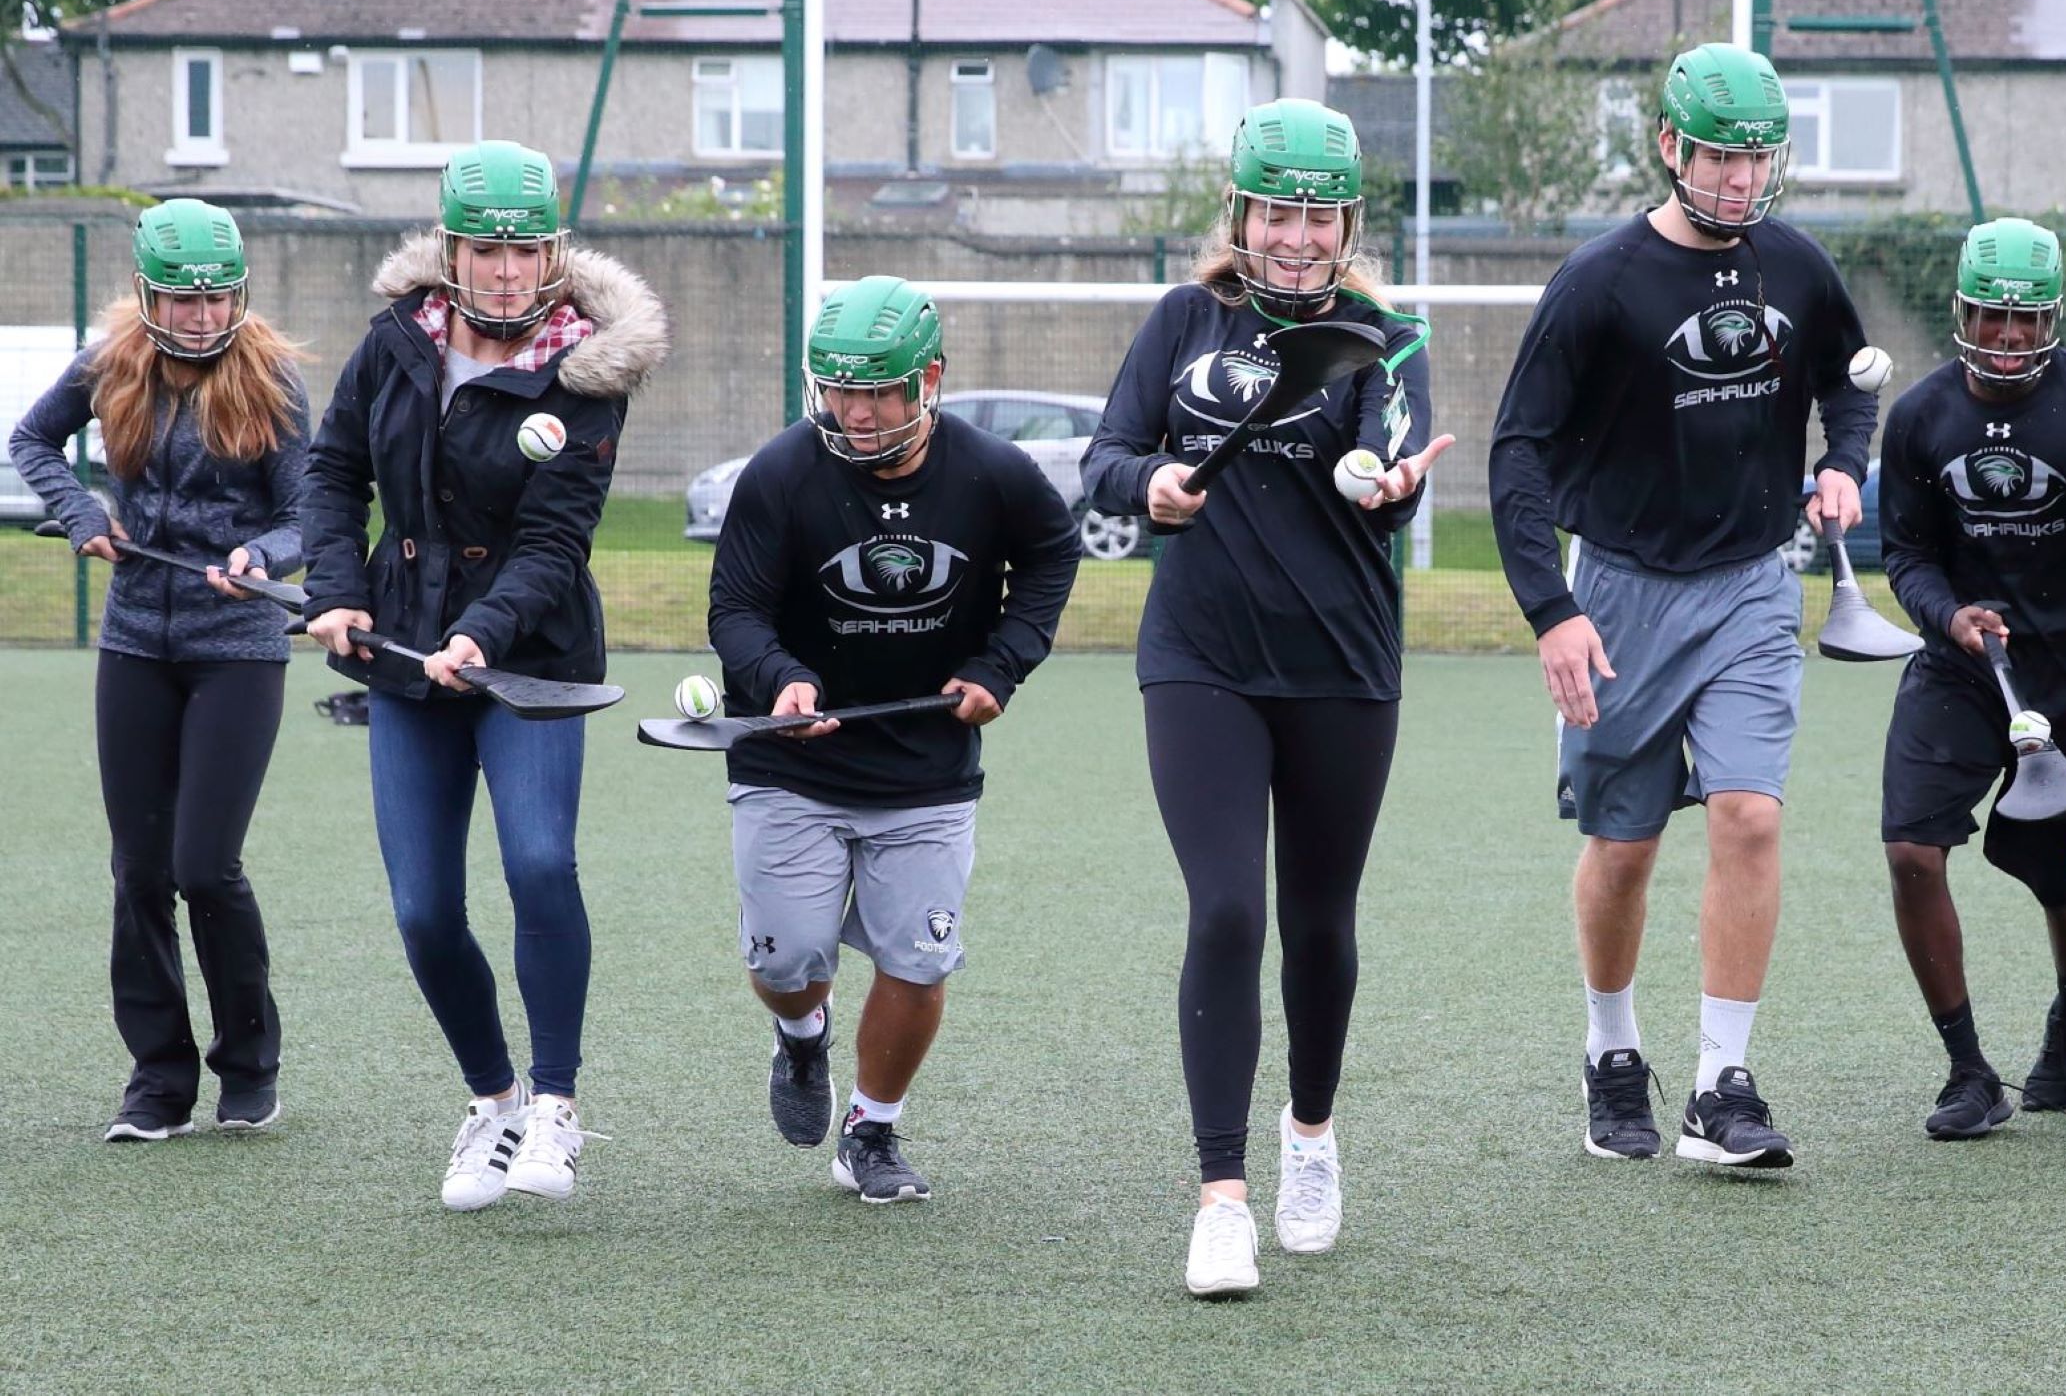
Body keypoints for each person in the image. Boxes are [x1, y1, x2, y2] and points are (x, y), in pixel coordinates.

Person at [1485, 42, 1875, 1169]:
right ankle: (1612, 1050)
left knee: (1750, 814)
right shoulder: (1598, 283)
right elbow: (1517, 453)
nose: (1740, 179)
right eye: (1717, 156)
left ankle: (1720, 1085)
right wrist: (1552, 609)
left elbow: (1849, 383)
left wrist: (1842, 462)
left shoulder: (1796, 265)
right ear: (1668, 146)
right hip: (1620, 592)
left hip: (1753, 584)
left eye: (1757, 158)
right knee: (1624, 846)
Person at [1080, 97, 1445, 1297]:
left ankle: (1311, 1135)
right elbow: (1105, 458)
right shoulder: (1184, 319)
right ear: (1238, 215)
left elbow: (1392, 457)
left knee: (1320, 923)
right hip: (1201, 659)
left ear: (1348, 223)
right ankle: (1221, 1198)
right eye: (1275, 212)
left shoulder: (1384, 336)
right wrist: (1154, 482)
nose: (1295, 236)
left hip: (1341, 663)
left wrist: (1387, 486)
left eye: (1318, 215)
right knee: (1228, 910)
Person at [298, 140, 668, 1208]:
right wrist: (338, 589)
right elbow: (333, 471)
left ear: (552, 254)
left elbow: (555, 542)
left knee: (540, 864)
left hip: (529, 661)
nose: (506, 271)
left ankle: (555, 1104)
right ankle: (494, 1101)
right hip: (403, 654)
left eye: (526, 251)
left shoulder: (589, 371)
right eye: (486, 251)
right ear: (450, 251)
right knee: (423, 910)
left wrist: (482, 635)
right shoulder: (392, 343)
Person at [708, 276, 1079, 1204]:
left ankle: (870, 1129)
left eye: (879, 391)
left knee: (919, 960)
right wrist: (781, 678)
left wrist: (1002, 665)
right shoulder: (780, 473)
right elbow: (735, 609)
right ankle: (802, 1037)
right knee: (785, 959)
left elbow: (1052, 554)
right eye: (841, 390)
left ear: (930, 380)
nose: (858, 413)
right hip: (791, 761)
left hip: (926, 767)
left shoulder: (993, 473)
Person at [7, 199, 308, 1142]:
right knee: (139, 870)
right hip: (136, 639)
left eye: (217, 298)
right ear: (147, 296)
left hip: (238, 647)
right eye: (183, 299)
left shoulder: (274, 379)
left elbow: (309, 513)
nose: (203, 316)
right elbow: (29, 441)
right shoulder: (110, 363)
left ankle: (249, 1067)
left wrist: (262, 557)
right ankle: (158, 1079)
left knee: (204, 867)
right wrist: (81, 512)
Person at [1877, 218, 2066, 1139]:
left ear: (2053, 317)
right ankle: (1968, 1069)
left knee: (2058, 875)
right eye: (1991, 315)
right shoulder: (1920, 417)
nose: (2008, 334)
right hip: (1962, 665)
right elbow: (1907, 553)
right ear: (1960, 310)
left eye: (2026, 318)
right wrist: (1948, 616)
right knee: (1911, 850)